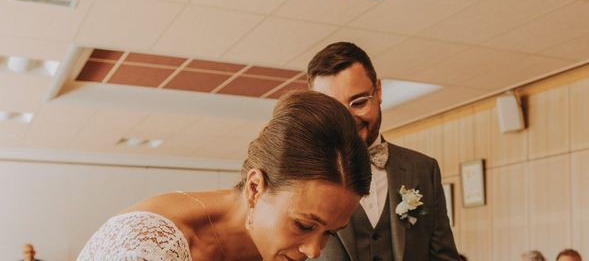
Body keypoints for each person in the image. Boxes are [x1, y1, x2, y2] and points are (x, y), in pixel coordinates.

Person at [77, 91, 371, 261]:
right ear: (255, 188)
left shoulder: (268, 247)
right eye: (304, 224)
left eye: (330, 232)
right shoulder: (146, 246)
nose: (314, 251)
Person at [306, 42, 460, 261]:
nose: (348, 120)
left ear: (377, 91)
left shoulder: (423, 169)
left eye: (358, 102)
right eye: (335, 110)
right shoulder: (300, 174)